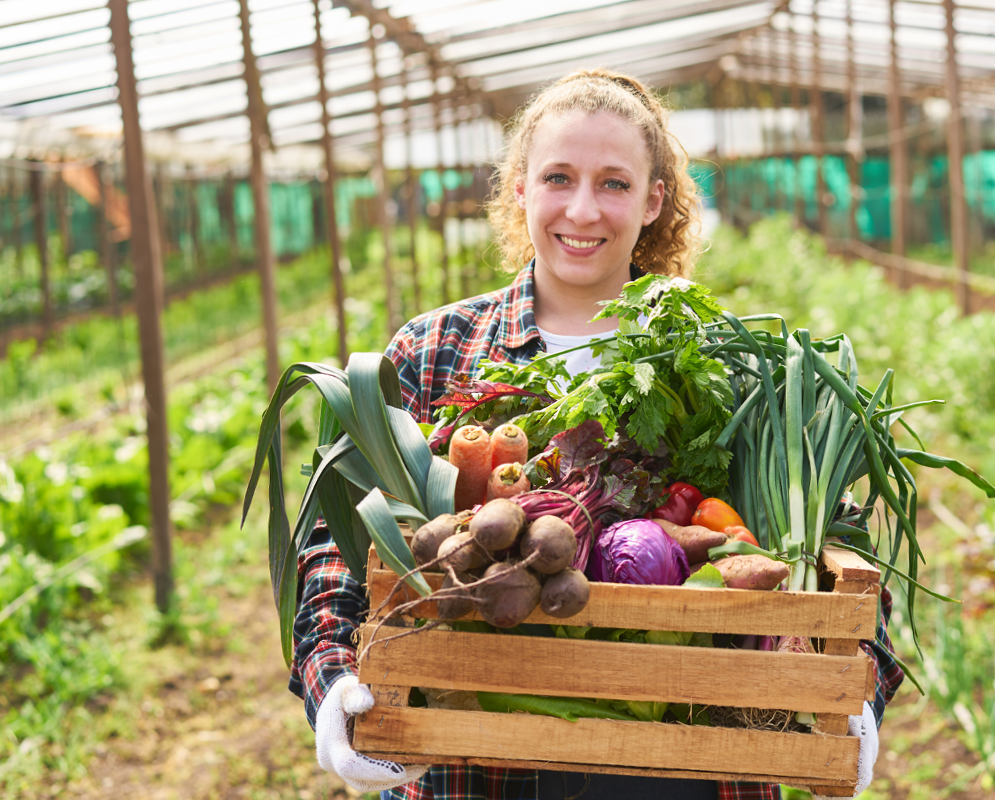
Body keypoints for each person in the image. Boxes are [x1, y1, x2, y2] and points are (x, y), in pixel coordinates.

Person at [290, 68, 901, 800]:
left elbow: (840, 540)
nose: (582, 210)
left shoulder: (724, 361)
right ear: (521, 188)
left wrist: (859, 690)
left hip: (694, 749)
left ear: (653, 201)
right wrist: (333, 680)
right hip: (472, 756)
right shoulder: (434, 350)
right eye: (558, 177)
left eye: (614, 183)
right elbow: (336, 539)